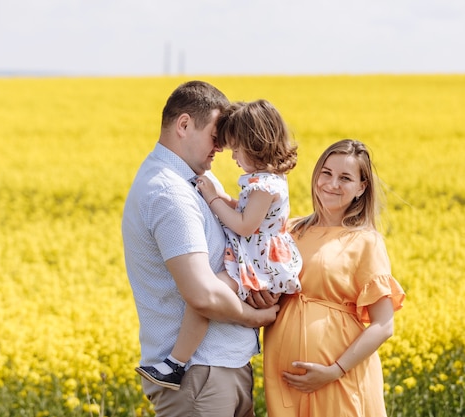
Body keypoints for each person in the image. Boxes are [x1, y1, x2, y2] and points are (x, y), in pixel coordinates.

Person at [122, 80, 279, 417]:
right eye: (215, 135)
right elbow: (203, 296)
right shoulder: (169, 193)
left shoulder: (197, 181)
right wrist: (256, 317)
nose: (221, 147)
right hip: (199, 376)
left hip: (220, 368)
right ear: (184, 125)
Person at [137, 99, 303, 390]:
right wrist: (223, 198)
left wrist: (213, 199)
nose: (233, 156)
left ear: (255, 144)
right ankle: (175, 362)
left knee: (205, 298)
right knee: (206, 297)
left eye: (237, 148)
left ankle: (175, 363)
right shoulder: (266, 180)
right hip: (256, 260)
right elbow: (244, 212)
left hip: (258, 264)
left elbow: (244, 225)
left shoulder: (264, 186)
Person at [262, 139, 406, 416]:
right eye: (326, 173)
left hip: (339, 377)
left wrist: (333, 371)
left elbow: (384, 325)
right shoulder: (290, 229)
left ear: (361, 188)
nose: (332, 184)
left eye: (345, 178)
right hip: (285, 379)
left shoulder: (365, 241)